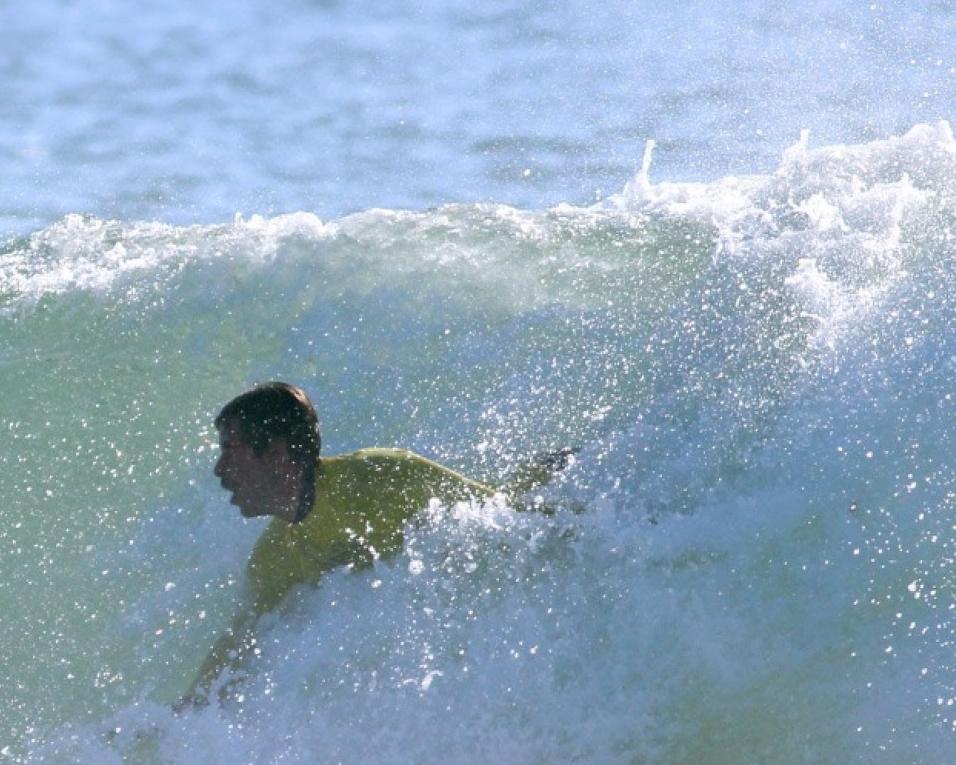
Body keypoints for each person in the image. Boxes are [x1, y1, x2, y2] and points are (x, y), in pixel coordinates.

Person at [182, 382, 571, 706]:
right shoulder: (274, 557)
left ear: (279, 453)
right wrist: (185, 715)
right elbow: (241, 643)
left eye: (230, 452)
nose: (219, 469)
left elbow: (504, 519)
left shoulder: (378, 478)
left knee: (517, 491)